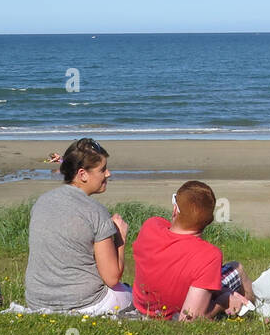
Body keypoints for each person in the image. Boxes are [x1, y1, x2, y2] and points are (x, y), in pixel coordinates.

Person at [23, 137, 132, 314]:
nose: (108, 174)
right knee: (134, 295)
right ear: (83, 175)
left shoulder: (41, 202)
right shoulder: (96, 212)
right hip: (84, 303)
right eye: (102, 170)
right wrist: (120, 238)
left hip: (36, 301)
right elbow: (112, 278)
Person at [132, 180, 253, 321]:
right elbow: (189, 319)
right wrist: (222, 302)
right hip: (175, 314)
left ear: (176, 210)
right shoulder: (208, 255)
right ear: (209, 220)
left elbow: (173, 233)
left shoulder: (151, 226)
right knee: (236, 268)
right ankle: (251, 309)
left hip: (143, 308)